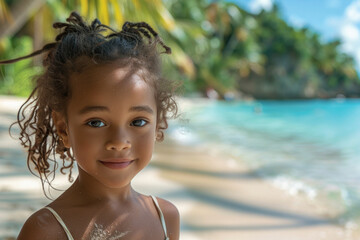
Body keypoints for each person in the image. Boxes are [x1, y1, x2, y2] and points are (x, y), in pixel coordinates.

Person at [0, 11, 180, 240]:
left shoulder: (165, 217)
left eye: (138, 121)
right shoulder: (46, 230)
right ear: (64, 128)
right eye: (96, 122)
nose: (119, 142)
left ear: (158, 125)